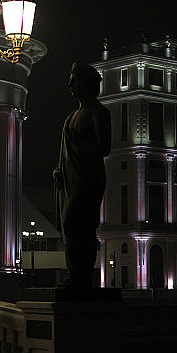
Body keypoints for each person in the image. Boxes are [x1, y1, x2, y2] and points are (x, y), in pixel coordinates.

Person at [54, 63, 111, 288]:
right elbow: (66, 153)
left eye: (75, 80)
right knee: (69, 225)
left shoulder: (98, 112)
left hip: (88, 179)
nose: (70, 84)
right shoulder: (72, 116)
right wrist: (59, 169)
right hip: (71, 179)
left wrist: (77, 145)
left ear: (88, 83)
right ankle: (74, 274)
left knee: (81, 225)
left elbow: (104, 148)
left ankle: (81, 276)